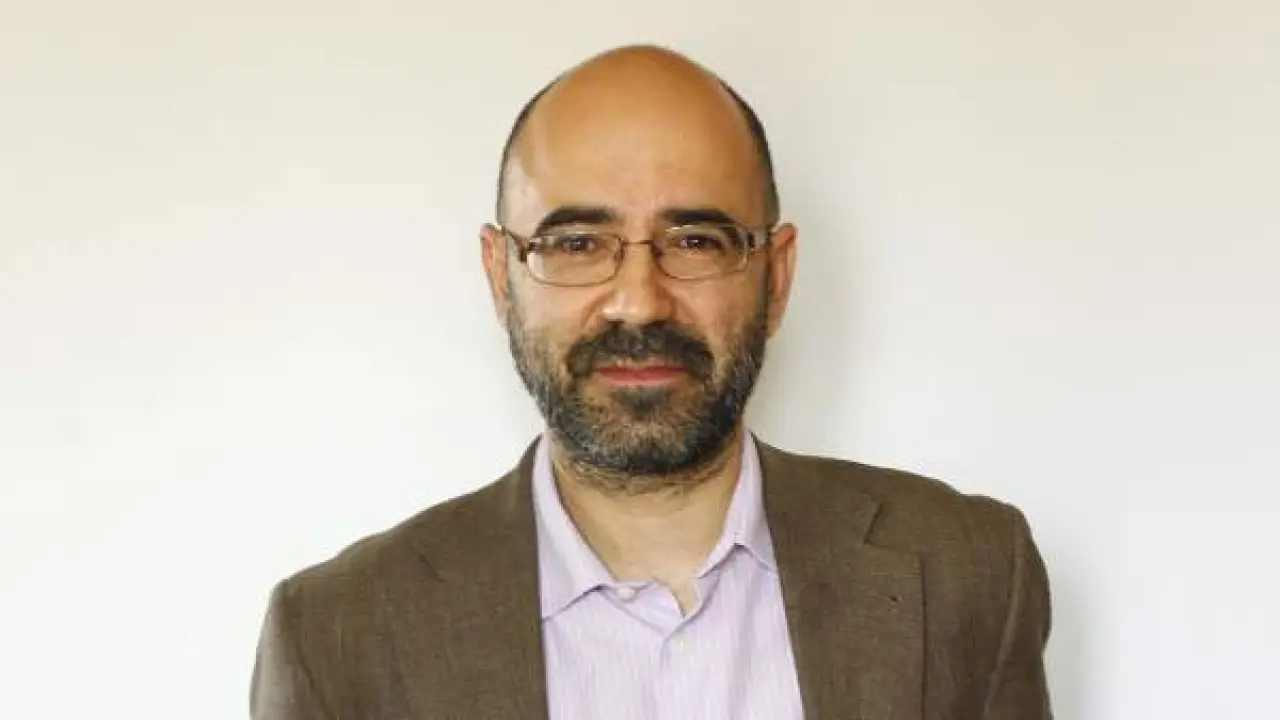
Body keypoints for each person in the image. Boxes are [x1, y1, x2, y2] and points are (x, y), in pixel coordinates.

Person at [250, 44, 1053, 720]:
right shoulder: (335, 638)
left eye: (697, 240)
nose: (638, 301)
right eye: (576, 242)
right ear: (500, 277)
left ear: (775, 276)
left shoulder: (968, 573)